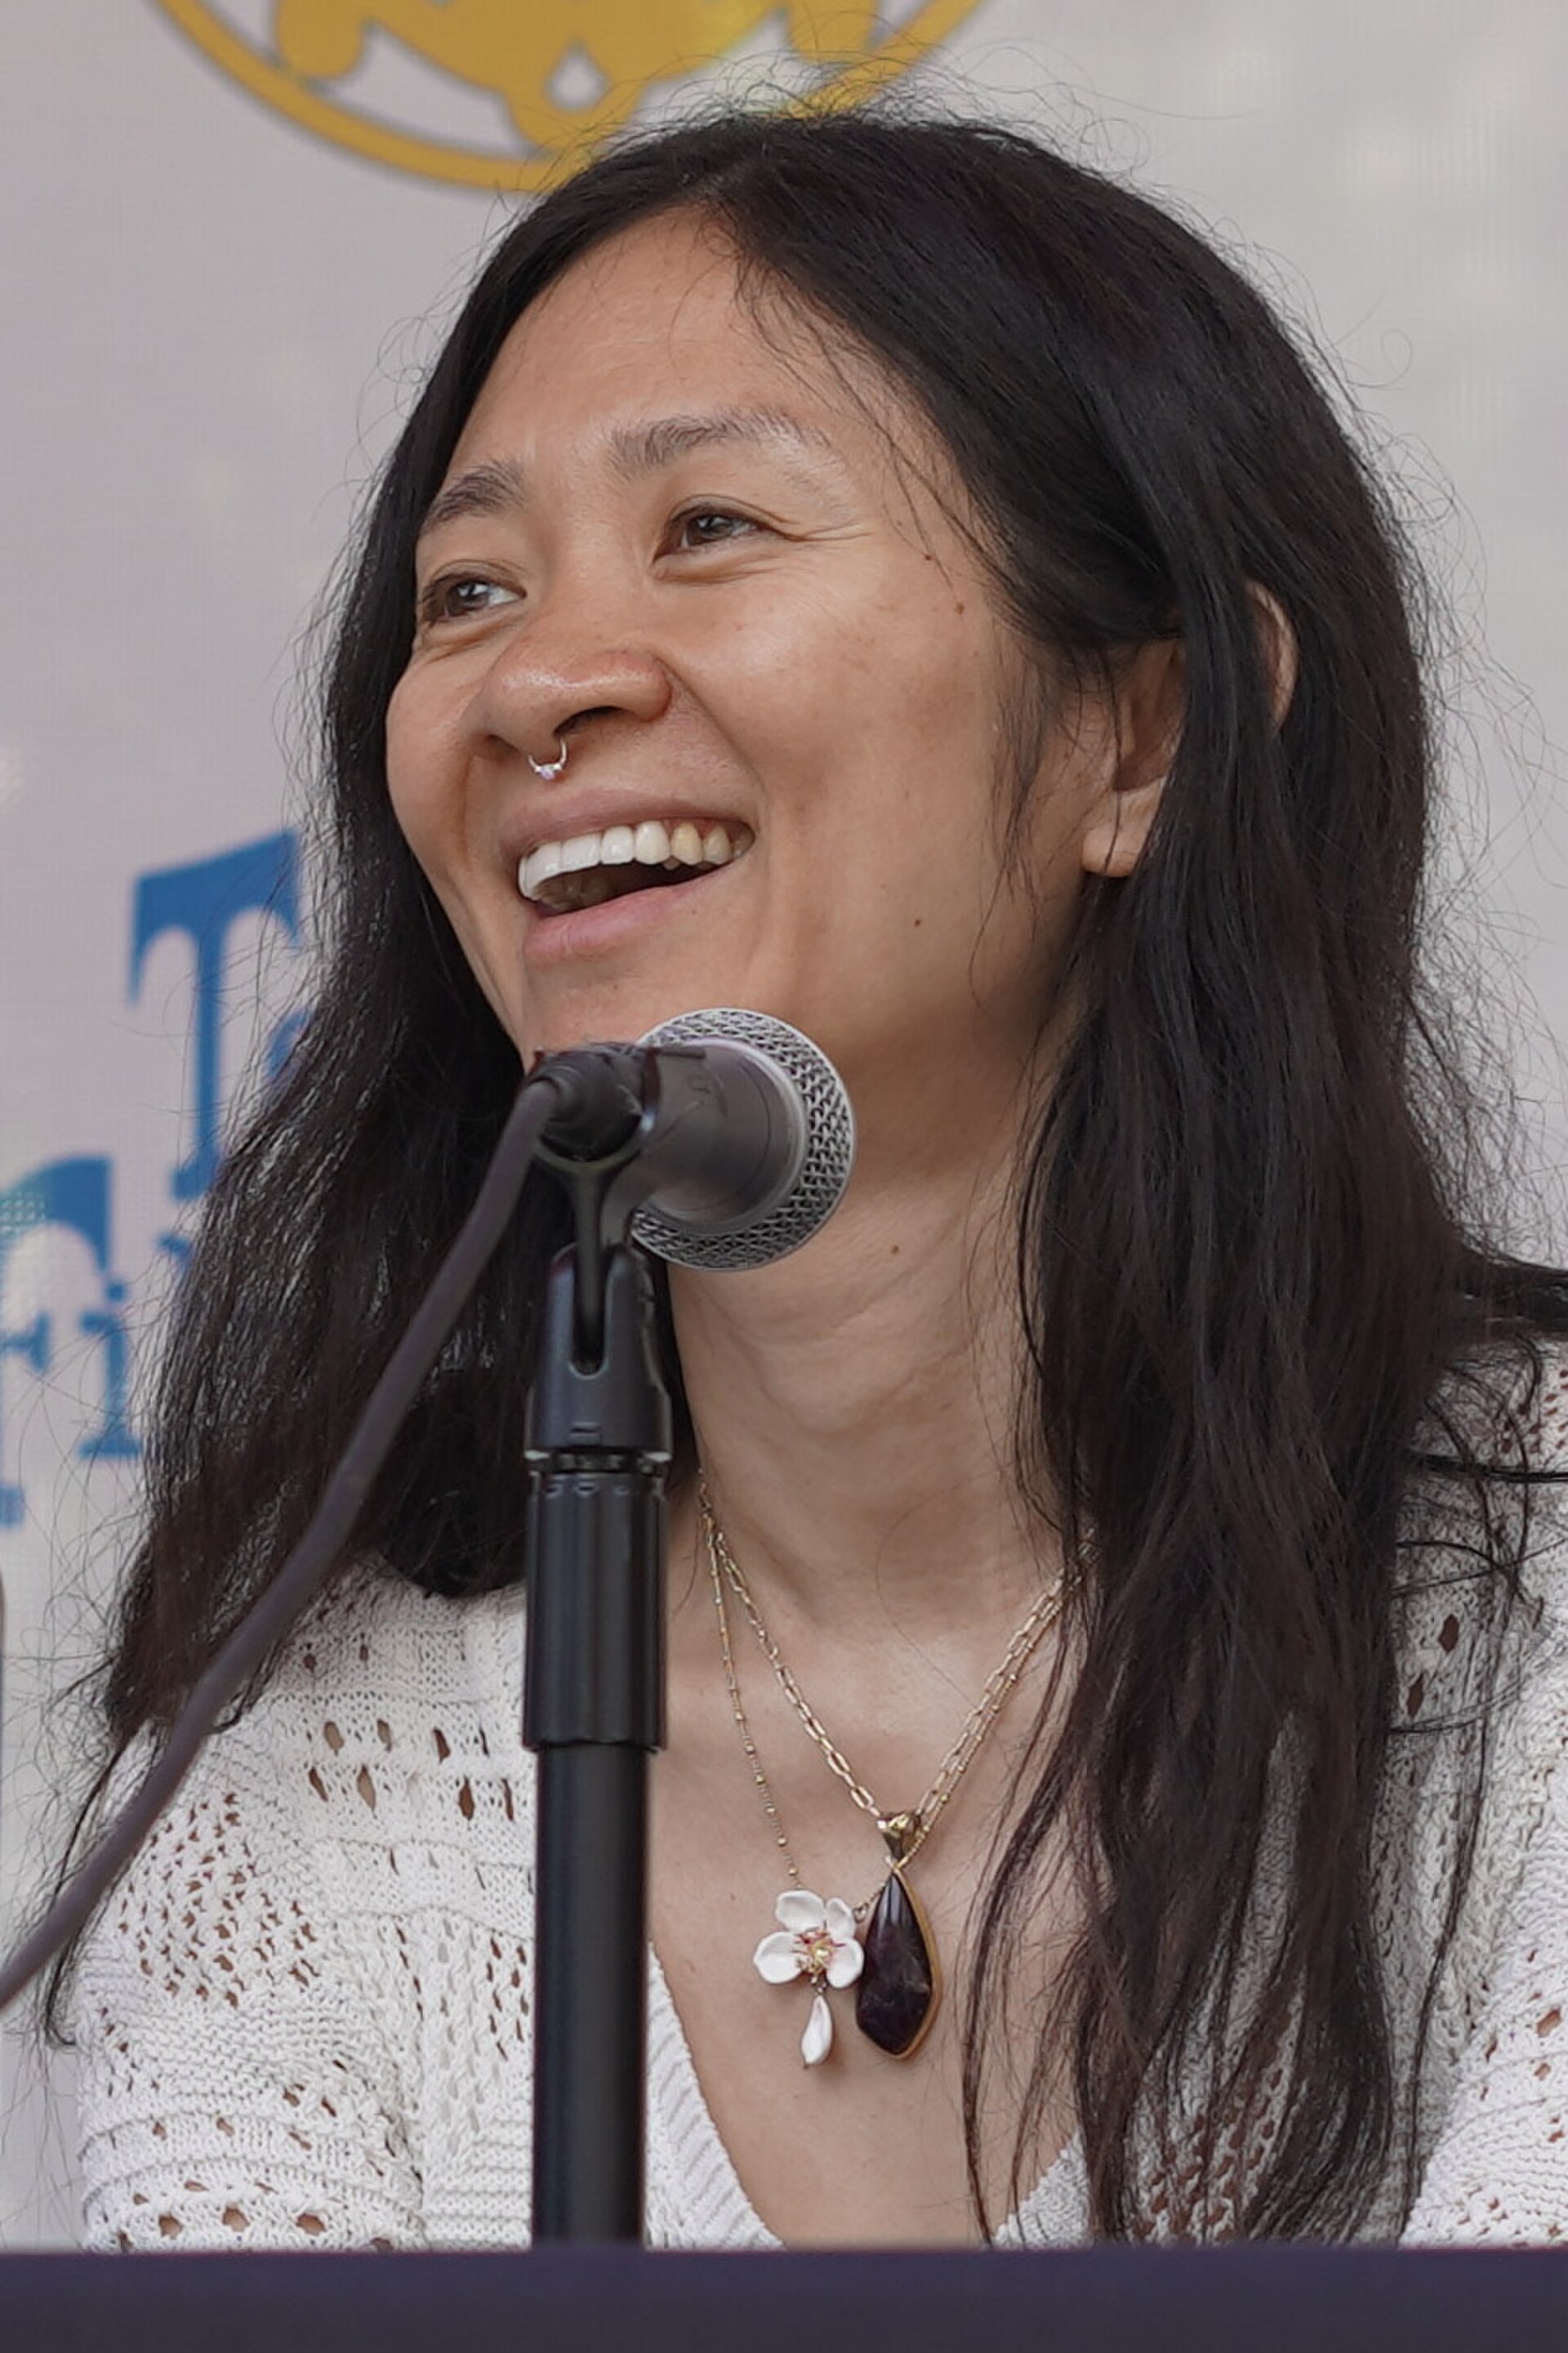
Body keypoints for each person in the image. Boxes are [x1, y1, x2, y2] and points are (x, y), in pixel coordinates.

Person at [61, 105, 1568, 2250]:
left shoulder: (1533, 1629)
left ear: (1148, 734)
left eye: (710, 529)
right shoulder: (289, 1778)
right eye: (469, 590)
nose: (541, 682)